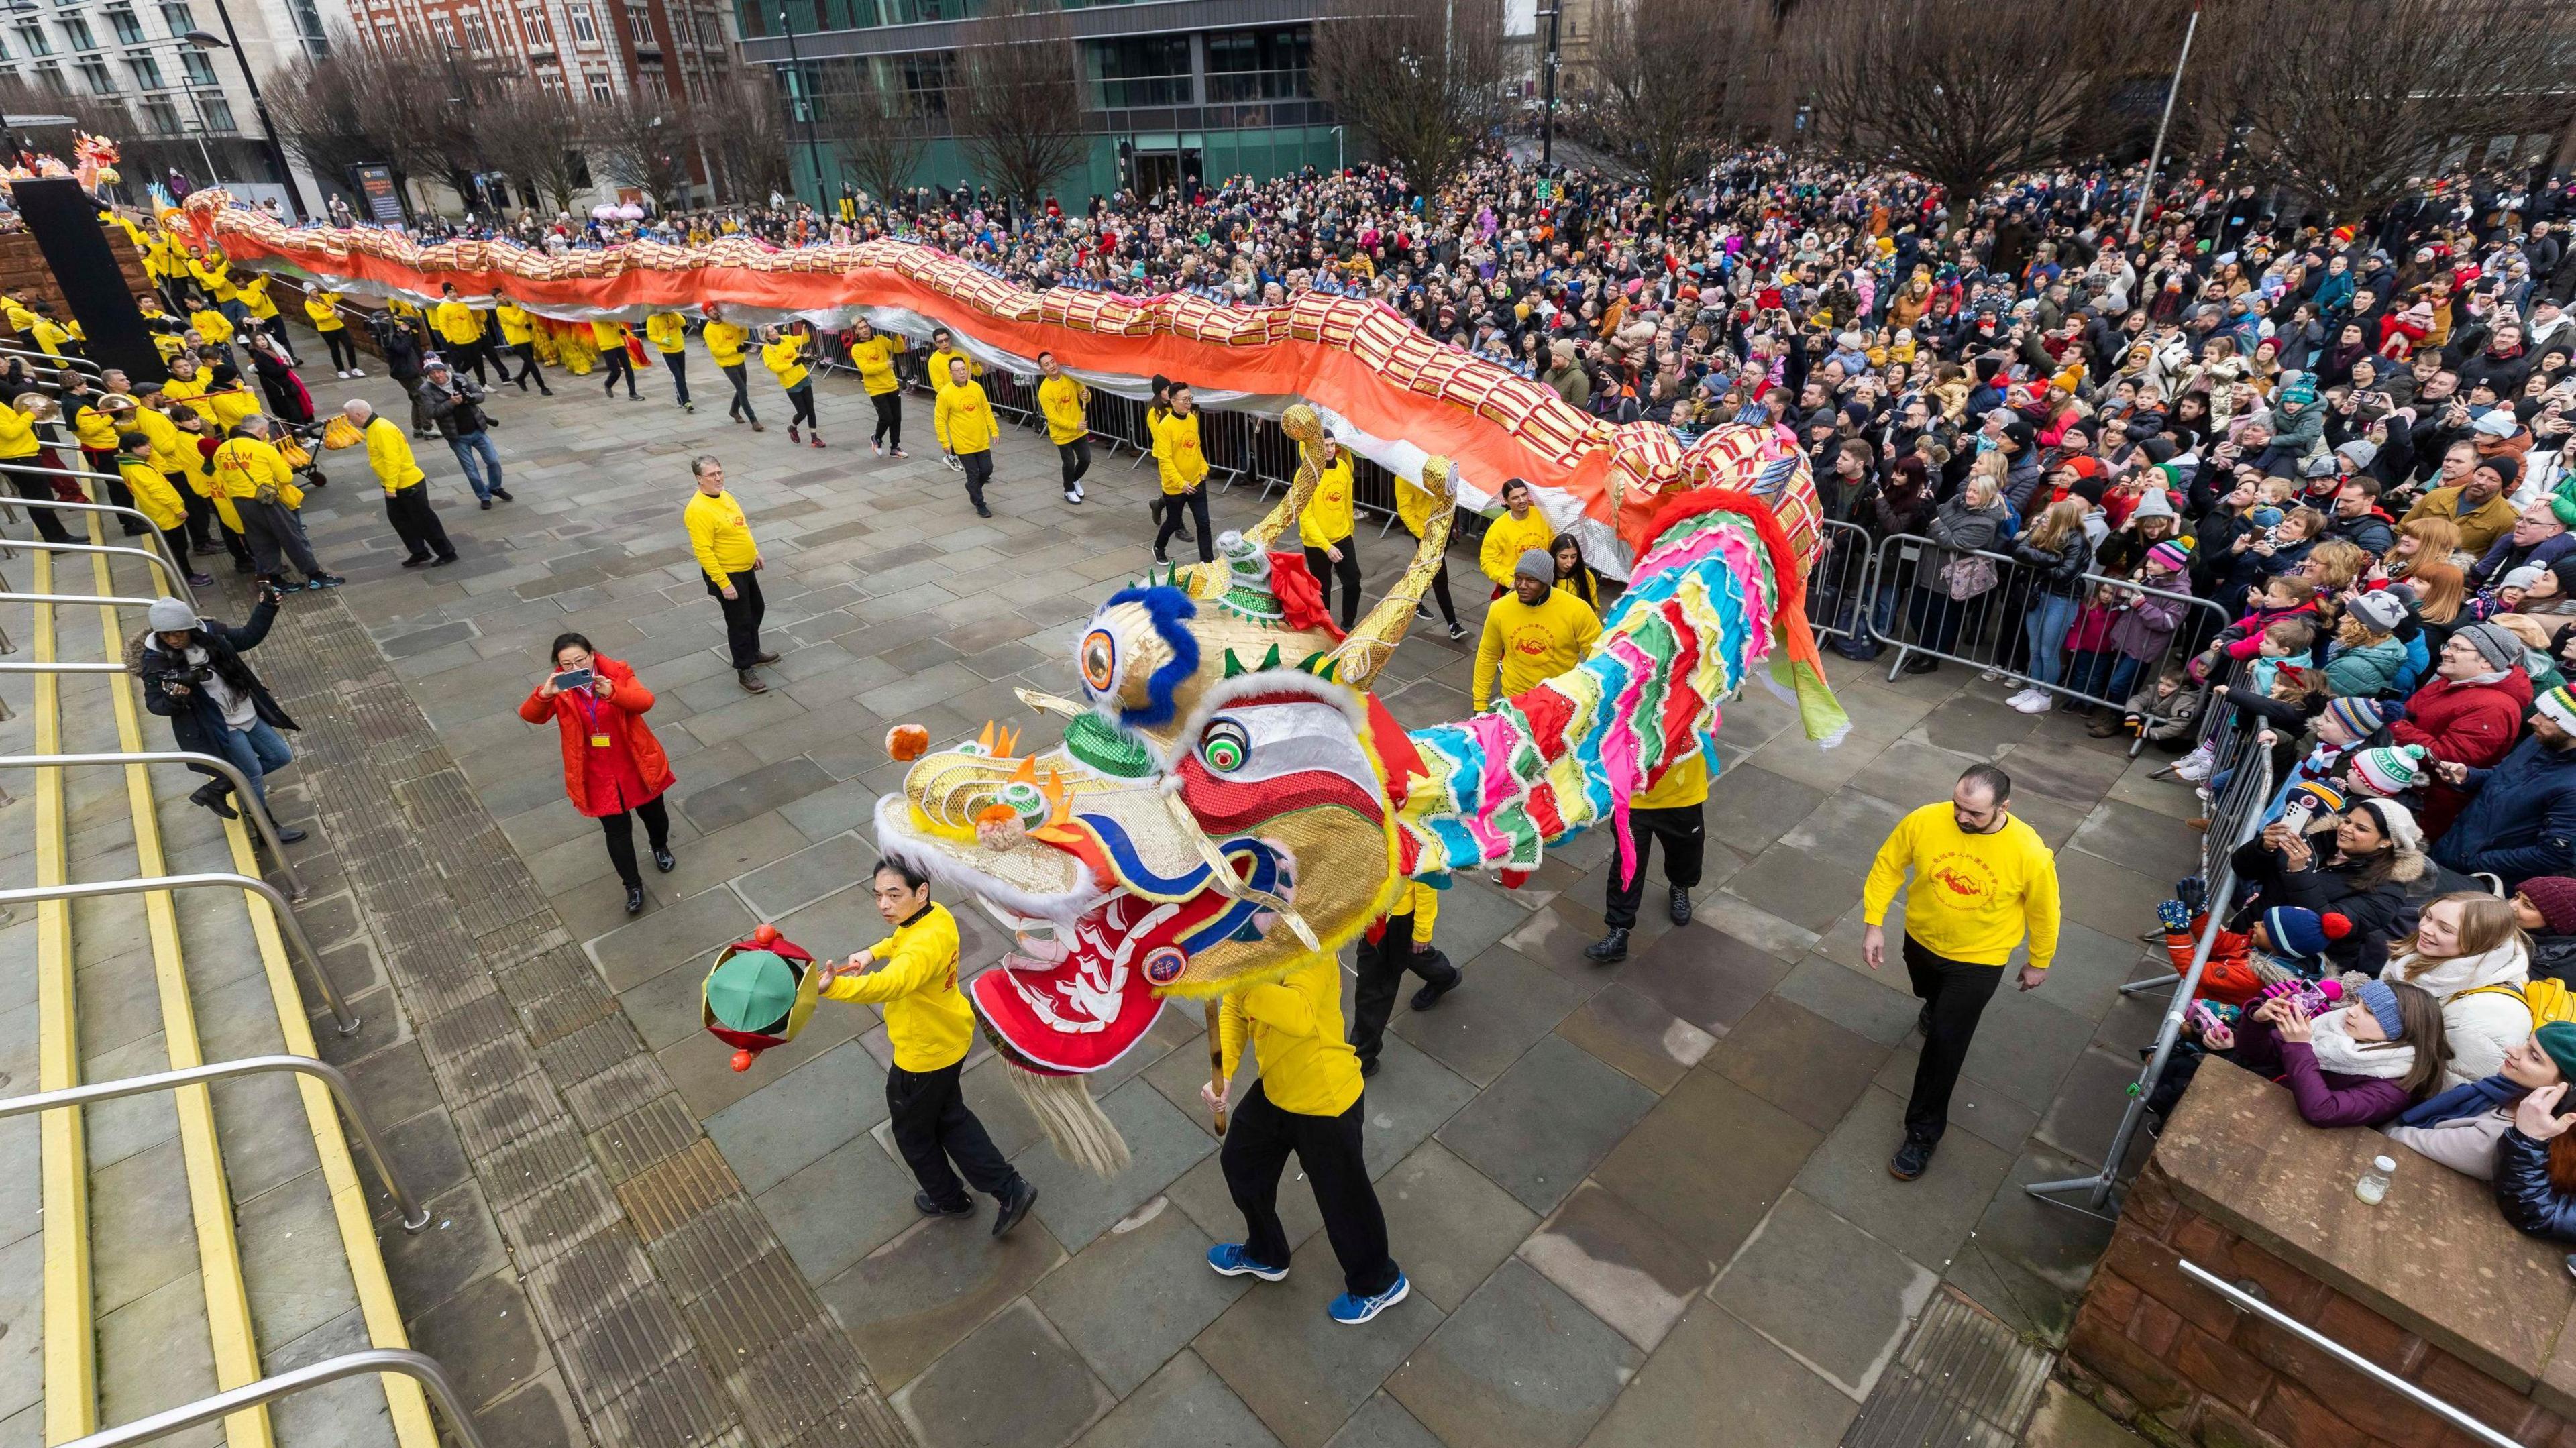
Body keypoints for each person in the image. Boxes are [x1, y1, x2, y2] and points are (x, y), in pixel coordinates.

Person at [817, 858, 1039, 1236]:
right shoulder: (936, 916)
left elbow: (889, 984)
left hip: (922, 1056)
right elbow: (901, 938)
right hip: (948, 1038)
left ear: (921, 891)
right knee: (950, 1117)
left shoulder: (920, 950)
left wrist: (832, 987)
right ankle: (1009, 1188)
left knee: (913, 1133)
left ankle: (949, 1198)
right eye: (878, 896)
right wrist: (873, 952)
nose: (884, 905)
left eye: (894, 895)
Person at [1861, 764, 2059, 1182]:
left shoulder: (2029, 852)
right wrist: (1874, 923)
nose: (1961, 818)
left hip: (1979, 961)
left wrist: (2039, 961)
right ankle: (1934, 1005)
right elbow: (1888, 866)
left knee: (1944, 1048)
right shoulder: (1924, 819)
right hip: (1922, 939)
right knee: (1927, 994)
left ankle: (1922, 1134)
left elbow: (2045, 912)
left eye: (1974, 813)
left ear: (2004, 806)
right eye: (1958, 806)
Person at [1203, 932, 1409, 1326]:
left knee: (1344, 1200)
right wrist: (1224, 1071)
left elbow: (1297, 1014)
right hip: (1277, 1089)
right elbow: (1232, 1010)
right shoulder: (1248, 942)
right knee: (1241, 1165)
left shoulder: (1312, 945)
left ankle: (1379, 1283)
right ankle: (1266, 1253)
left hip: (1324, 1099)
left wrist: (1237, 980)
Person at [518, 633, 676, 915]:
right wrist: (544, 696)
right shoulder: (559, 687)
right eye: (567, 664)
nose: (574, 667)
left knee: (654, 814)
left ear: (592, 655)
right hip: (596, 772)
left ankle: (660, 846)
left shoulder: (617, 673)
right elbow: (531, 716)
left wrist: (614, 693)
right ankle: (633, 886)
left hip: (635, 761)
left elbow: (645, 701)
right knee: (616, 831)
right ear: (558, 665)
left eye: (580, 660)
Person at [131, 590, 305, 838]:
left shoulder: (211, 635)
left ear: (190, 627)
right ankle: (267, 831)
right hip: (218, 725)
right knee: (253, 774)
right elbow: (155, 705)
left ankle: (217, 789)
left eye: (179, 632)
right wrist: (176, 697)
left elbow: (246, 637)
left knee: (280, 756)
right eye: (166, 635)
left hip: (245, 710)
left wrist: (267, 608)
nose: (173, 639)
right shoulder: (156, 661)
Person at [2194, 979, 2449, 1127]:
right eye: (2357, 1003)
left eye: (2369, 1012)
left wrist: (2299, 1047)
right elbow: (2256, 1054)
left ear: (2403, 1031)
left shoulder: (2393, 1088)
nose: (2351, 1011)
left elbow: (2322, 1111)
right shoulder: (2338, 1027)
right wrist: (2258, 1019)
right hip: (2264, 1100)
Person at [2229, 799, 2423, 977]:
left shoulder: (2389, 891)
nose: (2346, 829)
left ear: (2386, 842)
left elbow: (2328, 924)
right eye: (2347, 821)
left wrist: (2299, 873)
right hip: (2246, 932)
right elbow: (2243, 870)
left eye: (2361, 828)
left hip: (2286, 966)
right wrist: (2264, 848)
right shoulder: (2316, 840)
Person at [2383, 892, 2534, 1089]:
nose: (2426, 929)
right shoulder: (2432, 952)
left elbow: (2450, 1088)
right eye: (2428, 916)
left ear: (2479, 942)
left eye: (2445, 929)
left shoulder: (2484, 1015)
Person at [2386, 1027, 2574, 1180]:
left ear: (2564, 1089)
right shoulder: (2502, 1091)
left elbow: (2403, 1139)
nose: (2511, 1049)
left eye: (2534, 1057)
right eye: (2526, 1043)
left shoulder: (2502, 1135)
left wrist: (2379, 1122)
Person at [1583, 744, 1709, 963]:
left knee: (1686, 852)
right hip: (1634, 796)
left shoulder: (1698, 707)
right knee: (1626, 865)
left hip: (1682, 793)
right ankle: (1618, 931)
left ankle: (1680, 885)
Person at [1347, 880, 1460, 1079]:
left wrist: (1423, 931)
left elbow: (1428, 877)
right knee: (1407, 954)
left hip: (1395, 918)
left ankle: (1363, 1055)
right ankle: (1443, 975)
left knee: (1375, 985)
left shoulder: (1417, 846)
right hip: (1376, 910)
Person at [212, 418, 342, 590]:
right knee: (292, 537)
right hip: (267, 501)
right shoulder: (264, 449)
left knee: (261, 542)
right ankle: (315, 576)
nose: (266, 434)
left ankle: (276, 581)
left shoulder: (221, 450)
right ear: (259, 430)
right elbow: (286, 477)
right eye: (265, 431)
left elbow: (222, 474)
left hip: (241, 501)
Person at [685, 455, 774, 693]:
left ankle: (753, 651)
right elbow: (703, 551)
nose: (718, 478)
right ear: (699, 479)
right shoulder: (698, 510)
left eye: (720, 472)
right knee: (739, 621)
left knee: (757, 609)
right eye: (712, 475)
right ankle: (745, 669)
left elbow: (741, 526)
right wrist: (724, 583)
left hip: (745, 568)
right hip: (727, 573)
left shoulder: (725, 495)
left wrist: (754, 552)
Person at [1472, 549, 1602, 712]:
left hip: (1559, 703)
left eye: (1531, 580)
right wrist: (1480, 704)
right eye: (1518, 579)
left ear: (1546, 582)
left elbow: (1601, 658)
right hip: (1514, 703)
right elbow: (1488, 655)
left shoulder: (1578, 610)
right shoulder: (1499, 608)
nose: (1522, 586)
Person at [349, 398, 455, 568]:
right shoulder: (377, 426)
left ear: (358, 414)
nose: (350, 422)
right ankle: (419, 551)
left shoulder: (381, 429)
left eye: (350, 418)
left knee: (424, 520)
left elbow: (393, 461)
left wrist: (390, 488)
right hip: (398, 484)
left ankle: (447, 552)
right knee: (400, 520)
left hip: (406, 484)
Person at [113, 430, 211, 588]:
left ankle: (186, 574)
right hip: (165, 512)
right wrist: (177, 509)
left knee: (178, 546)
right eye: (143, 445)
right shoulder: (139, 468)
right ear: (132, 448)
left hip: (158, 511)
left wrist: (151, 453)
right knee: (179, 547)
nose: (149, 447)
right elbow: (158, 492)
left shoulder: (131, 463)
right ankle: (187, 577)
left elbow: (162, 466)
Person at [418, 360, 509, 510]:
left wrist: (470, 398)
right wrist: (451, 403)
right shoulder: (426, 389)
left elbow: (480, 394)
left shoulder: (460, 378)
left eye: (439, 371)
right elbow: (431, 413)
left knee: (493, 461)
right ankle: (484, 496)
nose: (437, 375)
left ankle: (495, 487)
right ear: (428, 375)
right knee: (471, 471)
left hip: (477, 429)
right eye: (432, 373)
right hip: (457, 436)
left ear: (444, 370)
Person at [1298, 436, 1361, 629]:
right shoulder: (1306, 474)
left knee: (1353, 583)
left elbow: (1347, 502)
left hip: (1342, 536)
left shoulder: (1342, 467)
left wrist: (1350, 530)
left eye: (1332, 445)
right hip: (1317, 544)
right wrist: (1327, 547)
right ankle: (1325, 629)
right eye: (1325, 445)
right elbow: (1305, 517)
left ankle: (1347, 625)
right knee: (1322, 590)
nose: (1330, 449)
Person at [1152, 382, 1212, 563]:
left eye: (1190, 399)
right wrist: (1181, 482)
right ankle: (1158, 547)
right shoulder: (1165, 426)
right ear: (1172, 401)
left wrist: (1204, 468)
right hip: (1176, 487)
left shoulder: (1192, 419)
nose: (1188, 403)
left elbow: (1197, 447)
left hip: (1196, 482)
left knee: (1204, 523)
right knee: (1173, 521)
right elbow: (1165, 460)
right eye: (1185, 400)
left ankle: (1207, 562)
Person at [934, 356, 998, 518]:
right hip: (963, 443)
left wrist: (994, 430)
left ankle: (972, 487)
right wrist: (945, 441)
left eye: (963, 369)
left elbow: (986, 409)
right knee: (974, 474)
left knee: (986, 470)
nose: (962, 373)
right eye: (957, 370)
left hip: (981, 440)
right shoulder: (945, 394)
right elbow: (940, 419)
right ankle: (980, 503)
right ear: (950, 373)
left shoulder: (976, 387)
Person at [1477, 478, 1555, 598]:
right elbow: (1487, 561)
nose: (1522, 500)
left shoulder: (1543, 515)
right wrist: (1509, 582)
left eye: (1524, 495)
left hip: (1543, 582)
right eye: (1515, 498)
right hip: (1514, 586)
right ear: (1506, 501)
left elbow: (1554, 543)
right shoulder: (1499, 528)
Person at [847, 318, 907, 457]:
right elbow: (866, 369)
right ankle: (877, 438)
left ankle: (895, 447)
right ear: (856, 331)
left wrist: (896, 335)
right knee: (886, 417)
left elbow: (899, 348)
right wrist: (885, 365)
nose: (865, 330)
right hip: (876, 389)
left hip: (891, 385)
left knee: (896, 418)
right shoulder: (857, 348)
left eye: (866, 327)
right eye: (861, 328)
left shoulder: (880, 339)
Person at [1036, 351, 1088, 501]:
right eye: (1047, 365)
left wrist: (1086, 396)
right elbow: (1053, 418)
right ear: (1042, 369)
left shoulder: (1070, 378)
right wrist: (1074, 425)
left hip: (1079, 429)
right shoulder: (1044, 391)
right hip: (1062, 434)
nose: (1051, 366)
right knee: (1069, 462)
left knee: (1086, 459)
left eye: (1052, 362)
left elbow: (1084, 394)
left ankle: (1074, 479)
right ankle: (1068, 490)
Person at [762, 325, 821, 447]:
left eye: (774, 328)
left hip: (803, 377)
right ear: (767, 336)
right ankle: (793, 427)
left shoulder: (785, 339)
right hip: (790, 383)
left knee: (811, 409)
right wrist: (792, 363)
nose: (776, 331)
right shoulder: (767, 349)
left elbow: (804, 339)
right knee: (802, 412)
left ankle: (814, 438)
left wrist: (806, 327)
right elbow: (775, 367)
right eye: (772, 330)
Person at [704, 307, 759, 430]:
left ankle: (734, 411)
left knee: (742, 388)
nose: (714, 312)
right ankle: (754, 420)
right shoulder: (708, 330)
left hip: (739, 360)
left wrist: (742, 327)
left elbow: (744, 336)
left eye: (714, 309)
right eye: (710, 311)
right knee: (742, 390)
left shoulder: (728, 322)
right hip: (727, 364)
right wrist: (735, 349)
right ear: (707, 314)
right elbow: (716, 351)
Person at [431, 283, 490, 384]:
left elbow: (470, 321)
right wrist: (449, 339)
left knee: (479, 361)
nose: (454, 294)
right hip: (459, 340)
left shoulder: (463, 305)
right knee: (468, 362)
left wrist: (477, 335)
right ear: (446, 294)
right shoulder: (443, 308)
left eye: (454, 292)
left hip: (472, 338)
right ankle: (457, 379)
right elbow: (443, 325)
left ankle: (483, 383)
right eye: (450, 292)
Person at [304, 285, 362, 379]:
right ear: (308, 293)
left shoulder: (325, 296)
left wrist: (335, 288)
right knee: (335, 349)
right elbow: (317, 318)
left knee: (349, 345)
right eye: (311, 291)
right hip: (326, 329)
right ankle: (341, 370)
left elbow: (338, 297)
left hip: (339, 326)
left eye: (315, 289)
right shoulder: (308, 303)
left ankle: (354, 368)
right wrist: (331, 313)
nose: (314, 291)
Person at [643, 310, 692, 412]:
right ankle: (686, 401)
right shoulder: (652, 318)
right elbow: (651, 335)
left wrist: (673, 313)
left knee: (682, 376)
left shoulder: (674, 313)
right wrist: (662, 340)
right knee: (677, 376)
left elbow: (683, 323)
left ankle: (680, 399)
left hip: (680, 348)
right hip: (666, 352)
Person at [594, 316, 640, 400]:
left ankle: (633, 393)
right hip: (607, 347)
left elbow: (619, 327)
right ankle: (608, 384)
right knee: (616, 372)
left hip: (620, 344)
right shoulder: (595, 315)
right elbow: (598, 317)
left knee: (629, 369)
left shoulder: (613, 313)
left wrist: (624, 335)